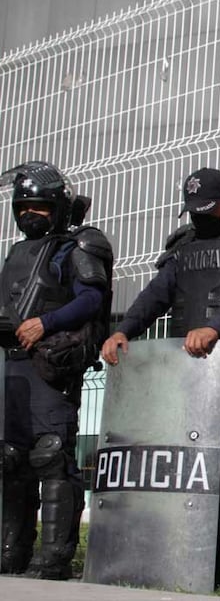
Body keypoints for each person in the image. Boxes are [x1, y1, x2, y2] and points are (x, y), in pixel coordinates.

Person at [100, 167, 220, 587]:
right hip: (194, 377)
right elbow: (157, 292)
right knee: (204, 472)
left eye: (209, 211)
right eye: (194, 213)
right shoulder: (185, 246)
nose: (201, 220)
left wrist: (215, 326)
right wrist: (124, 329)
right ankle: (206, 571)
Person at [0, 161, 113, 580]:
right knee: (11, 459)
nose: (31, 214)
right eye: (24, 206)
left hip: (53, 365)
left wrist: (46, 323)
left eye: (41, 207)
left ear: (59, 206)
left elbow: (91, 300)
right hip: (13, 365)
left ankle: (53, 559)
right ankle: (12, 553)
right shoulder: (16, 252)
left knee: (50, 455)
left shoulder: (79, 245)